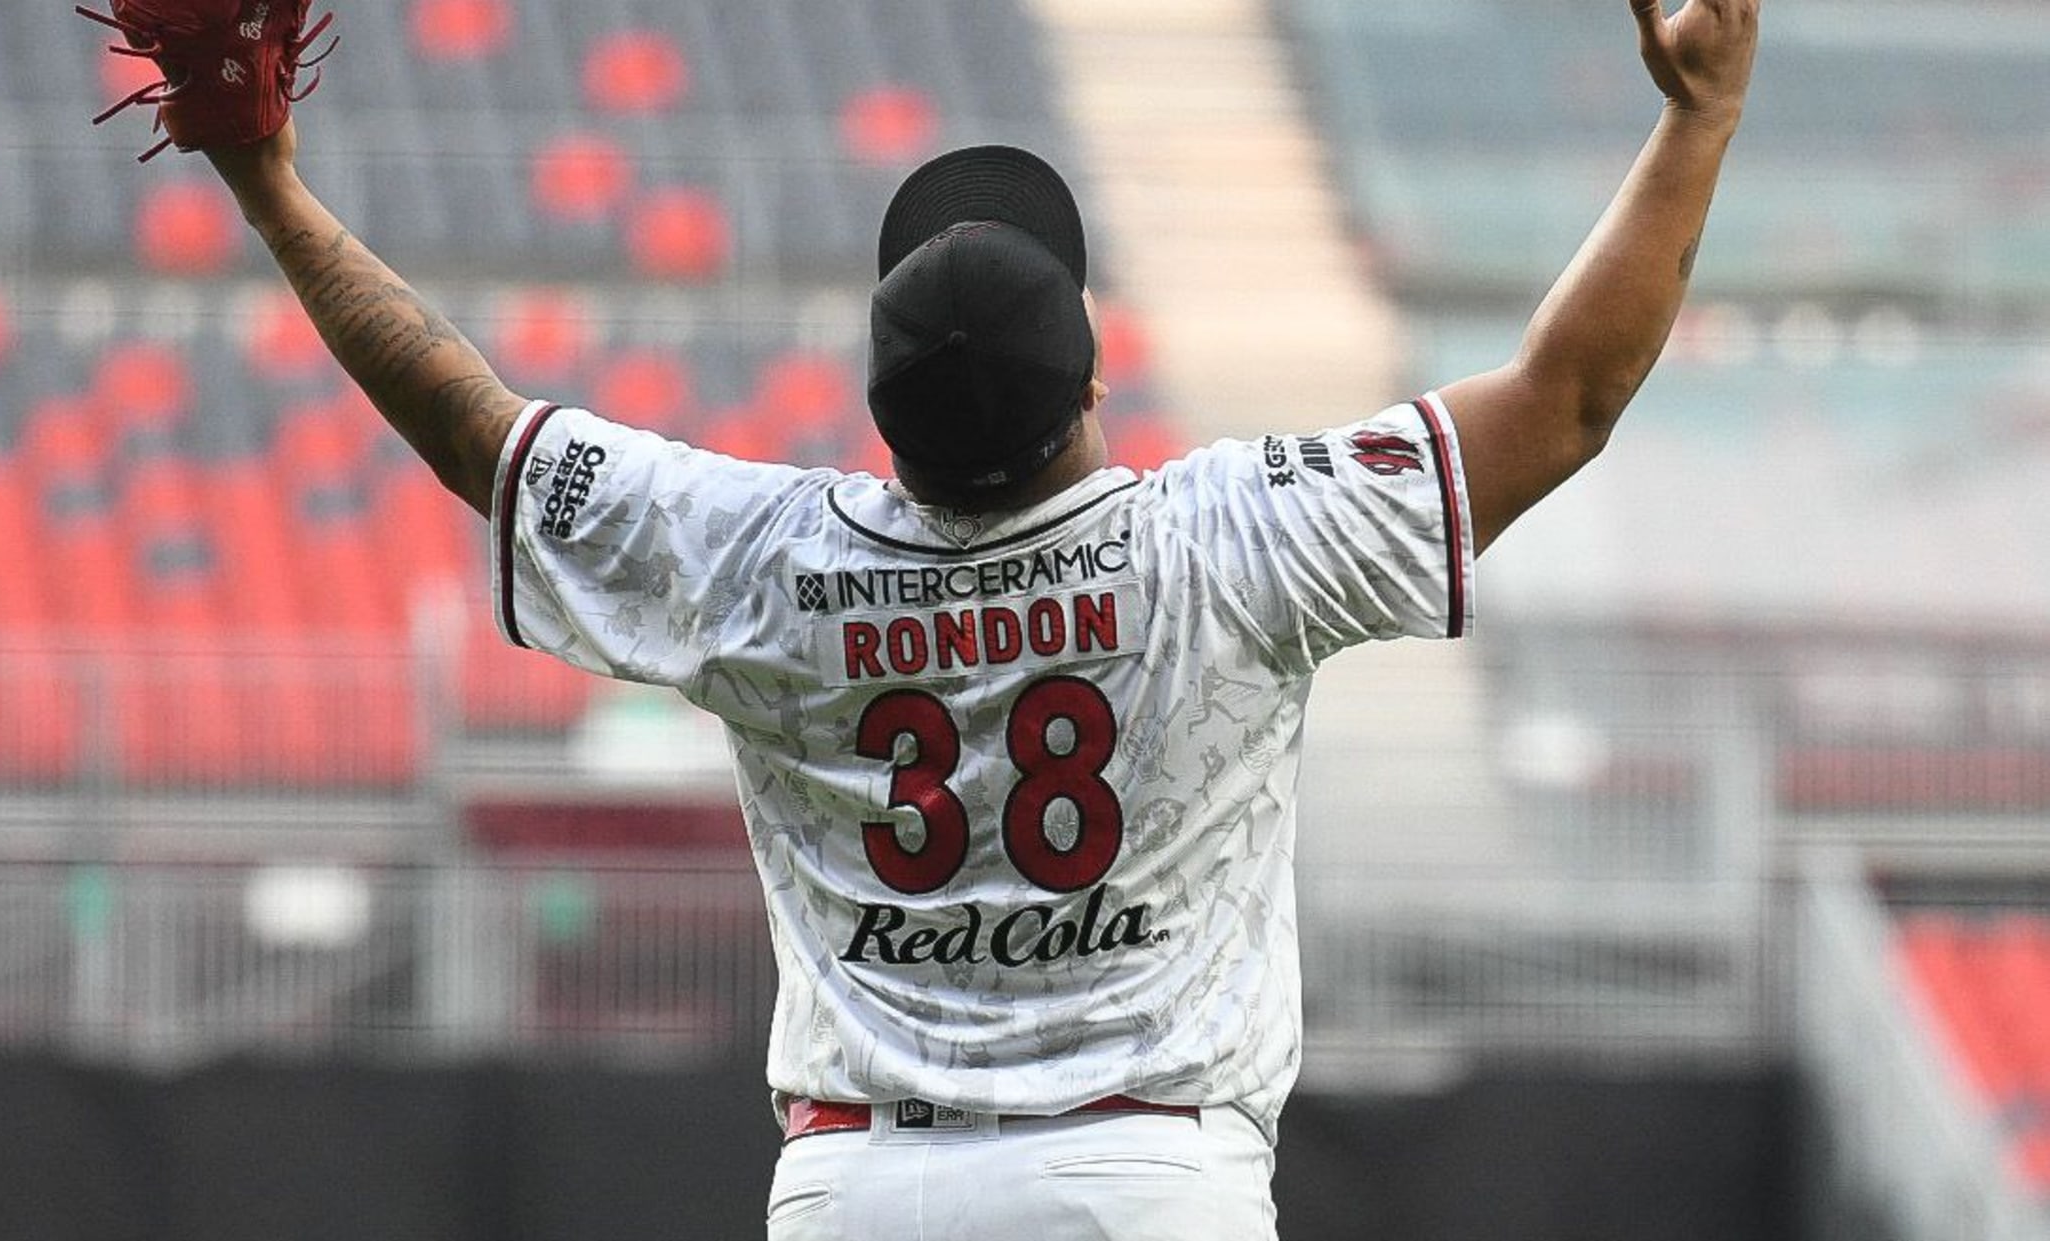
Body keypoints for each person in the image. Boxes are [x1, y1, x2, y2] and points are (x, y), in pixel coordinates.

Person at [184, 0, 1758, 1234]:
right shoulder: (1230, 541)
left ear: (884, 415)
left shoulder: (759, 561)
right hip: (1148, 1180)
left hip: (862, 1185)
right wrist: (1700, 118)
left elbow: (478, 429)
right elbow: (1568, 396)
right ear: (1092, 376)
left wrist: (270, 189)